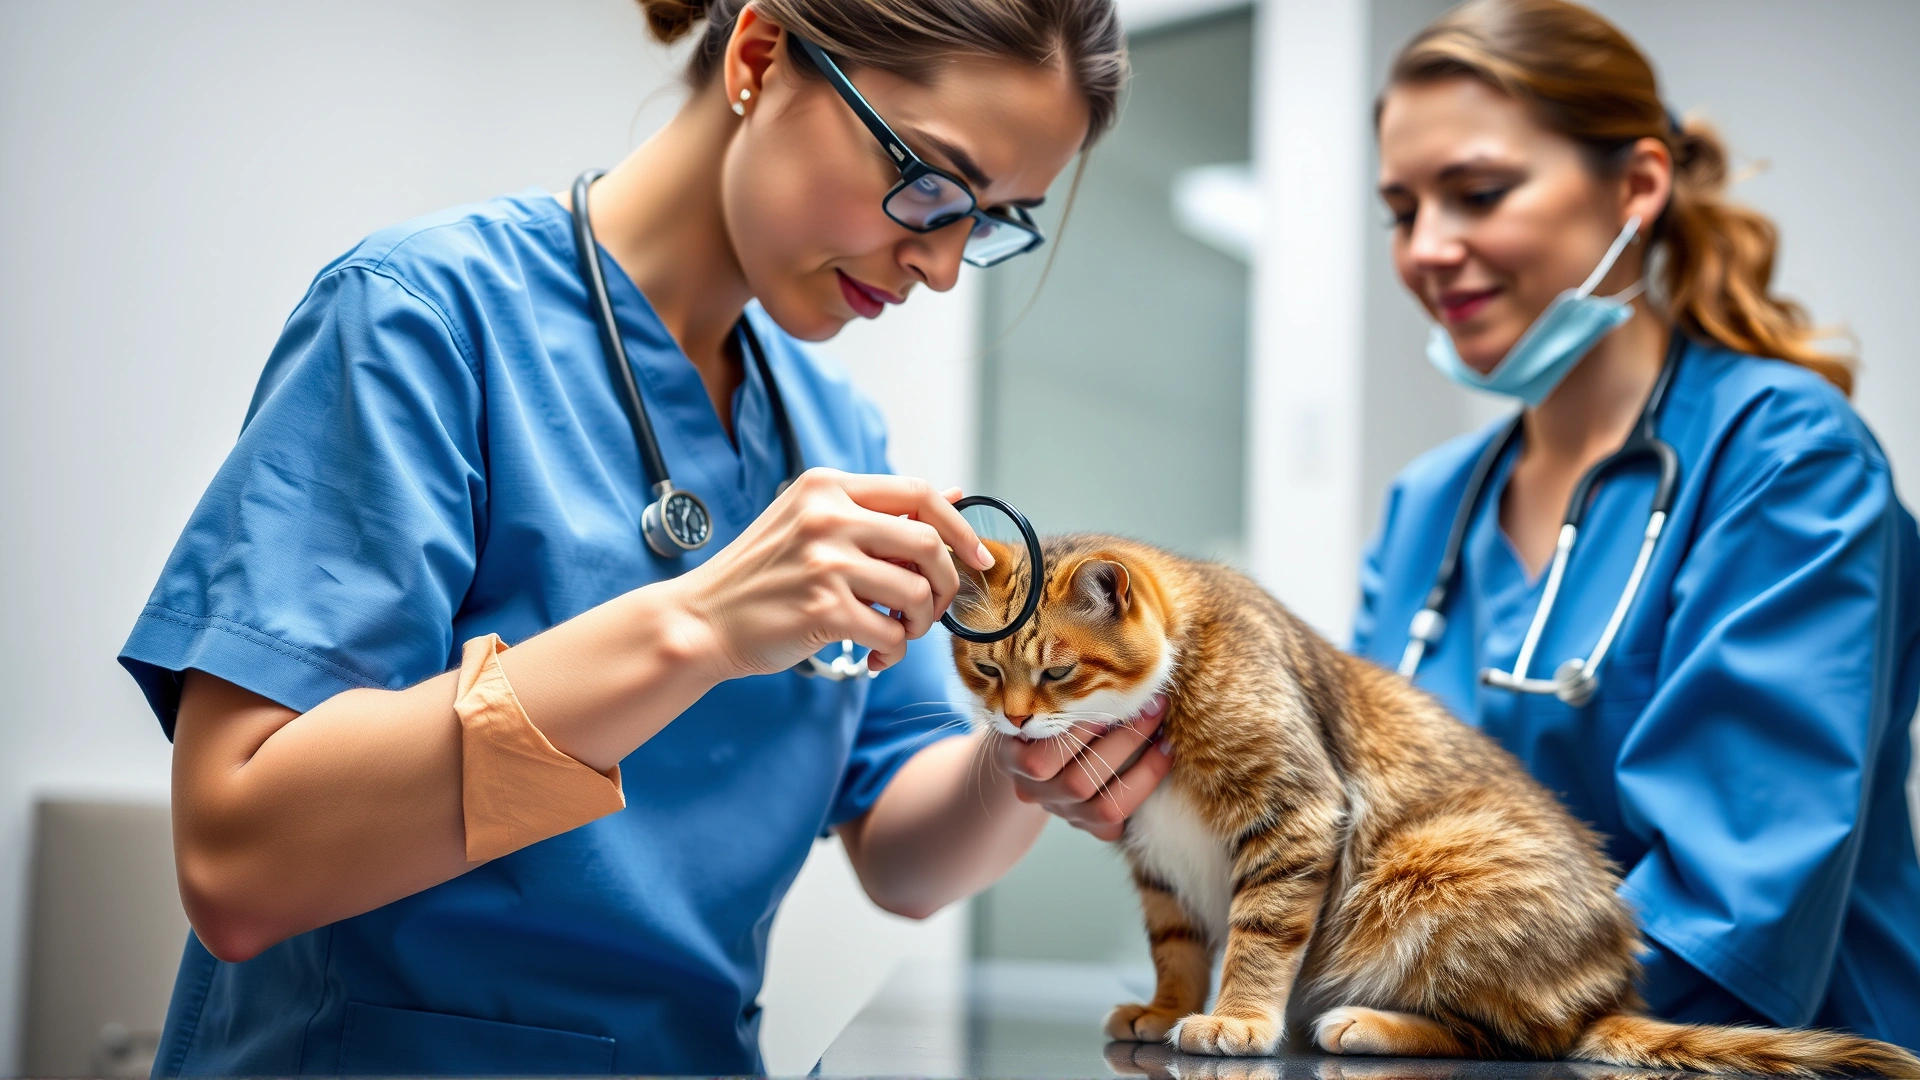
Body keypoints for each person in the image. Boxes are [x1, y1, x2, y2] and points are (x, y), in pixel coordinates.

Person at [117, 0, 1174, 1073]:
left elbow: (904, 859)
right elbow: (236, 865)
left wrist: (1034, 750)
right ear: (761, 58)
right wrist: (699, 629)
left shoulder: (831, 428)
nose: (942, 265)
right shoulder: (422, 319)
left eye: (989, 219)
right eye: (932, 182)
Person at [1352, 0, 1920, 1044]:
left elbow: (1734, 905)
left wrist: (1452, 1013)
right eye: (1401, 210)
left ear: (1638, 186)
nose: (1429, 248)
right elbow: (1359, 838)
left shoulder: (1787, 459)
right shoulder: (1428, 507)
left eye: (1478, 192)